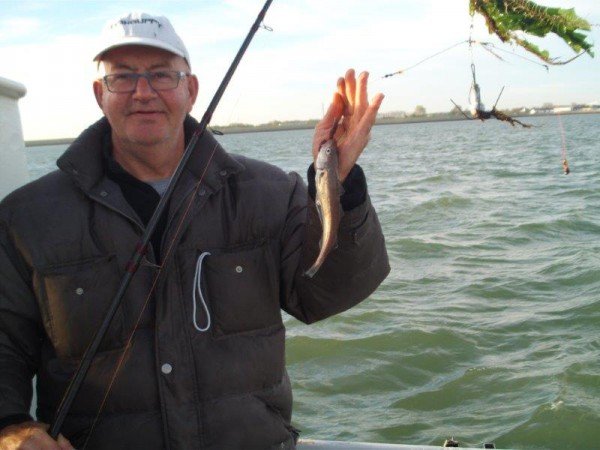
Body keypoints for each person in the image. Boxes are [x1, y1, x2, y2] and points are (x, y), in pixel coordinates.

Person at [0, 12, 389, 450]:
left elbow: (326, 293)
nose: (143, 92)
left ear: (191, 90)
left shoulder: (270, 193)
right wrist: (12, 425)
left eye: (163, 75)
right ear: (99, 94)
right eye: (123, 77)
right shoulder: (26, 217)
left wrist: (339, 178)